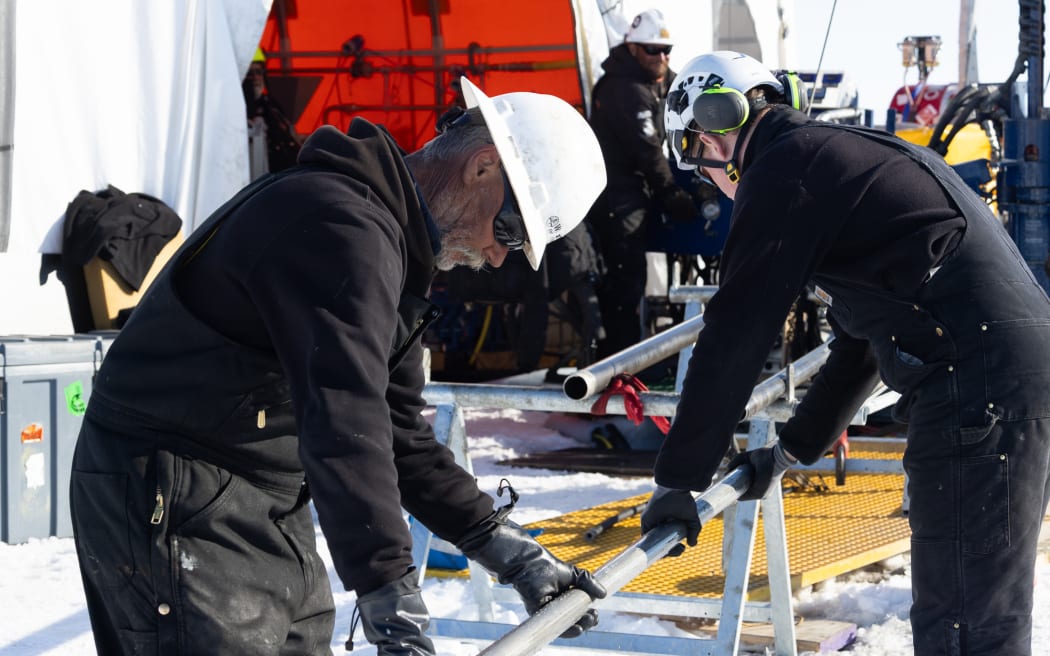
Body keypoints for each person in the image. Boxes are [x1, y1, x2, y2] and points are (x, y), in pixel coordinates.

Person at [69, 77, 608, 655]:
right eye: (510, 230)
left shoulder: (391, 246)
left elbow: (394, 427)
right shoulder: (339, 225)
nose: (499, 255)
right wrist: (393, 604)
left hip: (259, 486)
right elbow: (344, 422)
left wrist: (505, 546)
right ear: (482, 168)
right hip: (174, 484)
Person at [640, 51, 1050, 655]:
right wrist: (791, 451)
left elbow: (737, 329)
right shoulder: (835, 156)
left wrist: (677, 478)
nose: (714, 184)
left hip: (977, 385)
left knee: (965, 624)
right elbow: (861, 339)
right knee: (975, 608)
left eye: (701, 165)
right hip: (1000, 374)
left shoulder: (783, 170)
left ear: (713, 129)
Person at [587, 8, 697, 358]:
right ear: (633, 48)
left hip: (638, 194)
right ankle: (617, 367)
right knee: (624, 283)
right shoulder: (625, 88)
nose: (662, 57)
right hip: (617, 198)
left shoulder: (657, 78)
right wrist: (671, 192)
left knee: (639, 280)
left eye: (667, 50)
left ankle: (646, 358)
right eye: (653, 49)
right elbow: (646, 149)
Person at [243, 48, 304, 173]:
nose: (255, 77)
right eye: (249, 73)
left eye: (258, 72)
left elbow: (291, 135)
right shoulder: (233, 111)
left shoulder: (271, 105)